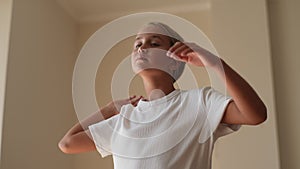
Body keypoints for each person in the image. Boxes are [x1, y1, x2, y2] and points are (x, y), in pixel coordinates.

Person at [58, 22, 267, 169]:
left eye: (154, 43)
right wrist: (110, 108)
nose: (142, 48)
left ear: (175, 60)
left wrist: (215, 63)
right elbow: (67, 144)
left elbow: (255, 115)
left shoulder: (199, 102)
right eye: (137, 44)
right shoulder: (123, 119)